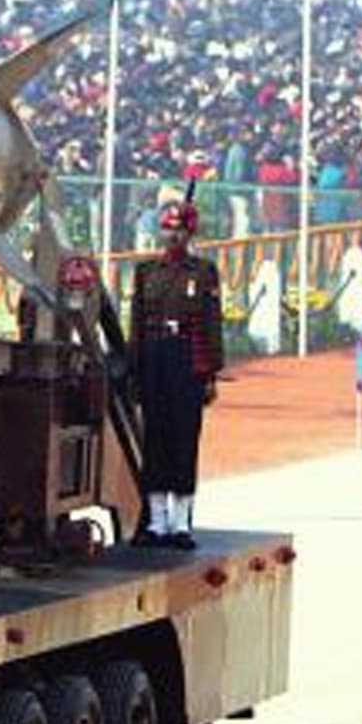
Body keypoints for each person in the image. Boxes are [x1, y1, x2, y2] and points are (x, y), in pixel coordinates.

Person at [128, 193, 223, 548]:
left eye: (180, 230)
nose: (173, 237)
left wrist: (211, 372)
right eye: (168, 230)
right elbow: (136, 323)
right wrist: (134, 369)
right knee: (156, 438)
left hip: (187, 357)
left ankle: (181, 522)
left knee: (184, 437)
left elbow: (212, 323)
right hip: (155, 356)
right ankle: (157, 521)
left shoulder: (203, 272)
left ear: (190, 233)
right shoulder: (145, 272)